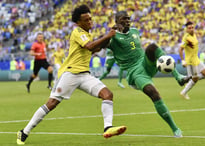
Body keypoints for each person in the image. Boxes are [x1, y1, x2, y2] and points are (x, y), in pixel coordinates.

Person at [17, 5, 126, 145]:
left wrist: (111, 40)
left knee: (107, 95)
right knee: (52, 103)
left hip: (85, 75)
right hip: (70, 73)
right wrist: (108, 36)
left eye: (90, 19)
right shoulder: (77, 32)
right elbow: (90, 47)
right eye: (86, 20)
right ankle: (24, 131)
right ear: (78, 23)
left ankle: (108, 128)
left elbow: (95, 48)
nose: (90, 22)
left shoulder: (87, 34)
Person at [107, 11, 191, 138]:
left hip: (145, 63)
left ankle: (178, 76)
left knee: (151, 47)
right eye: (124, 19)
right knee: (154, 93)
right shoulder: (112, 37)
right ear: (118, 21)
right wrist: (110, 34)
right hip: (135, 73)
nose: (128, 21)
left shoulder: (135, 31)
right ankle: (175, 129)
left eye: (129, 19)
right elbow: (100, 45)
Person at [179, 21, 205, 99]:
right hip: (191, 61)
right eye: (189, 28)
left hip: (196, 59)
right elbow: (180, 49)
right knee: (195, 79)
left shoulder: (194, 35)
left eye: (192, 27)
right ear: (186, 29)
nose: (192, 29)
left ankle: (189, 79)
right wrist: (182, 60)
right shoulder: (186, 38)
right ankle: (184, 92)